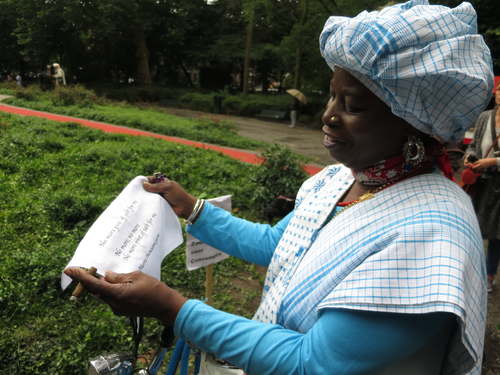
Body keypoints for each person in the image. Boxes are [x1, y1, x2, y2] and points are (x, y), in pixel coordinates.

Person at [65, 1, 493, 374]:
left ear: (417, 125)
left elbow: (313, 363)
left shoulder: (432, 232)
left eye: (354, 106)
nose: (328, 116)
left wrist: (171, 308)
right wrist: (189, 207)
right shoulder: (338, 181)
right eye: (331, 96)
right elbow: (280, 244)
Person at [465, 82, 500, 293]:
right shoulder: (484, 117)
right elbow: (473, 144)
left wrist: (493, 162)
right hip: (480, 183)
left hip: (499, 186)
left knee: (497, 234)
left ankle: (489, 274)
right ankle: (472, 271)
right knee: (474, 228)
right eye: (498, 90)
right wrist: (471, 156)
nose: (499, 94)